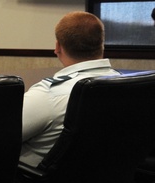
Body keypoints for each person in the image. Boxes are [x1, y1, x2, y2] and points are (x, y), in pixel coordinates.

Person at [21, 11, 118, 167]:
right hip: (111, 182)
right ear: (102, 44)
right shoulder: (126, 84)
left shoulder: (48, 93)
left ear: (58, 47)